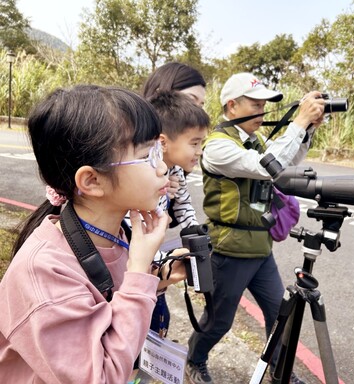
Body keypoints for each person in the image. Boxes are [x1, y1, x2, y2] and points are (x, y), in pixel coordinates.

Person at [0, 85, 187, 383]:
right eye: (146, 155)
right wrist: (138, 271)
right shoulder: (44, 270)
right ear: (92, 181)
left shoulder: (117, 233)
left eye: (158, 151)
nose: (163, 167)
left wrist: (155, 276)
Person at [185, 72, 326, 384]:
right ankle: (194, 361)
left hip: (260, 248)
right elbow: (267, 166)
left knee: (279, 315)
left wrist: (306, 132)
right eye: (256, 103)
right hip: (229, 250)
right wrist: (298, 123)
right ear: (232, 105)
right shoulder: (218, 146)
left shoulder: (255, 140)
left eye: (265, 104)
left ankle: (278, 371)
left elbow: (284, 165)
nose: (263, 111)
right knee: (219, 321)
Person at [140, 62, 208, 336]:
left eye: (202, 104)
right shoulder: (135, 164)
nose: (198, 111)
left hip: (152, 274)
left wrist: (193, 231)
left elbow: (183, 205)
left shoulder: (176, 164)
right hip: (134, 271)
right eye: (191, 101)